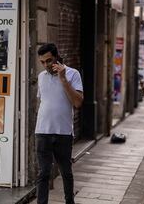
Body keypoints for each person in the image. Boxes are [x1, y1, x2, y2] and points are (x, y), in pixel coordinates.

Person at [35, 43, 84, 204]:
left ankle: (69, 201)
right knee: (43, 173)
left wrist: (63, 79)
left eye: (49, 61)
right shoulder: (41, 77)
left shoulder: (73, 74)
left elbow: (77, 102)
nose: (46, 65)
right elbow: (43, 101)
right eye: (42, 62)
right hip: (42, 131)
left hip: (63, 132)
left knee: (66, 172)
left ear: (56, 56)